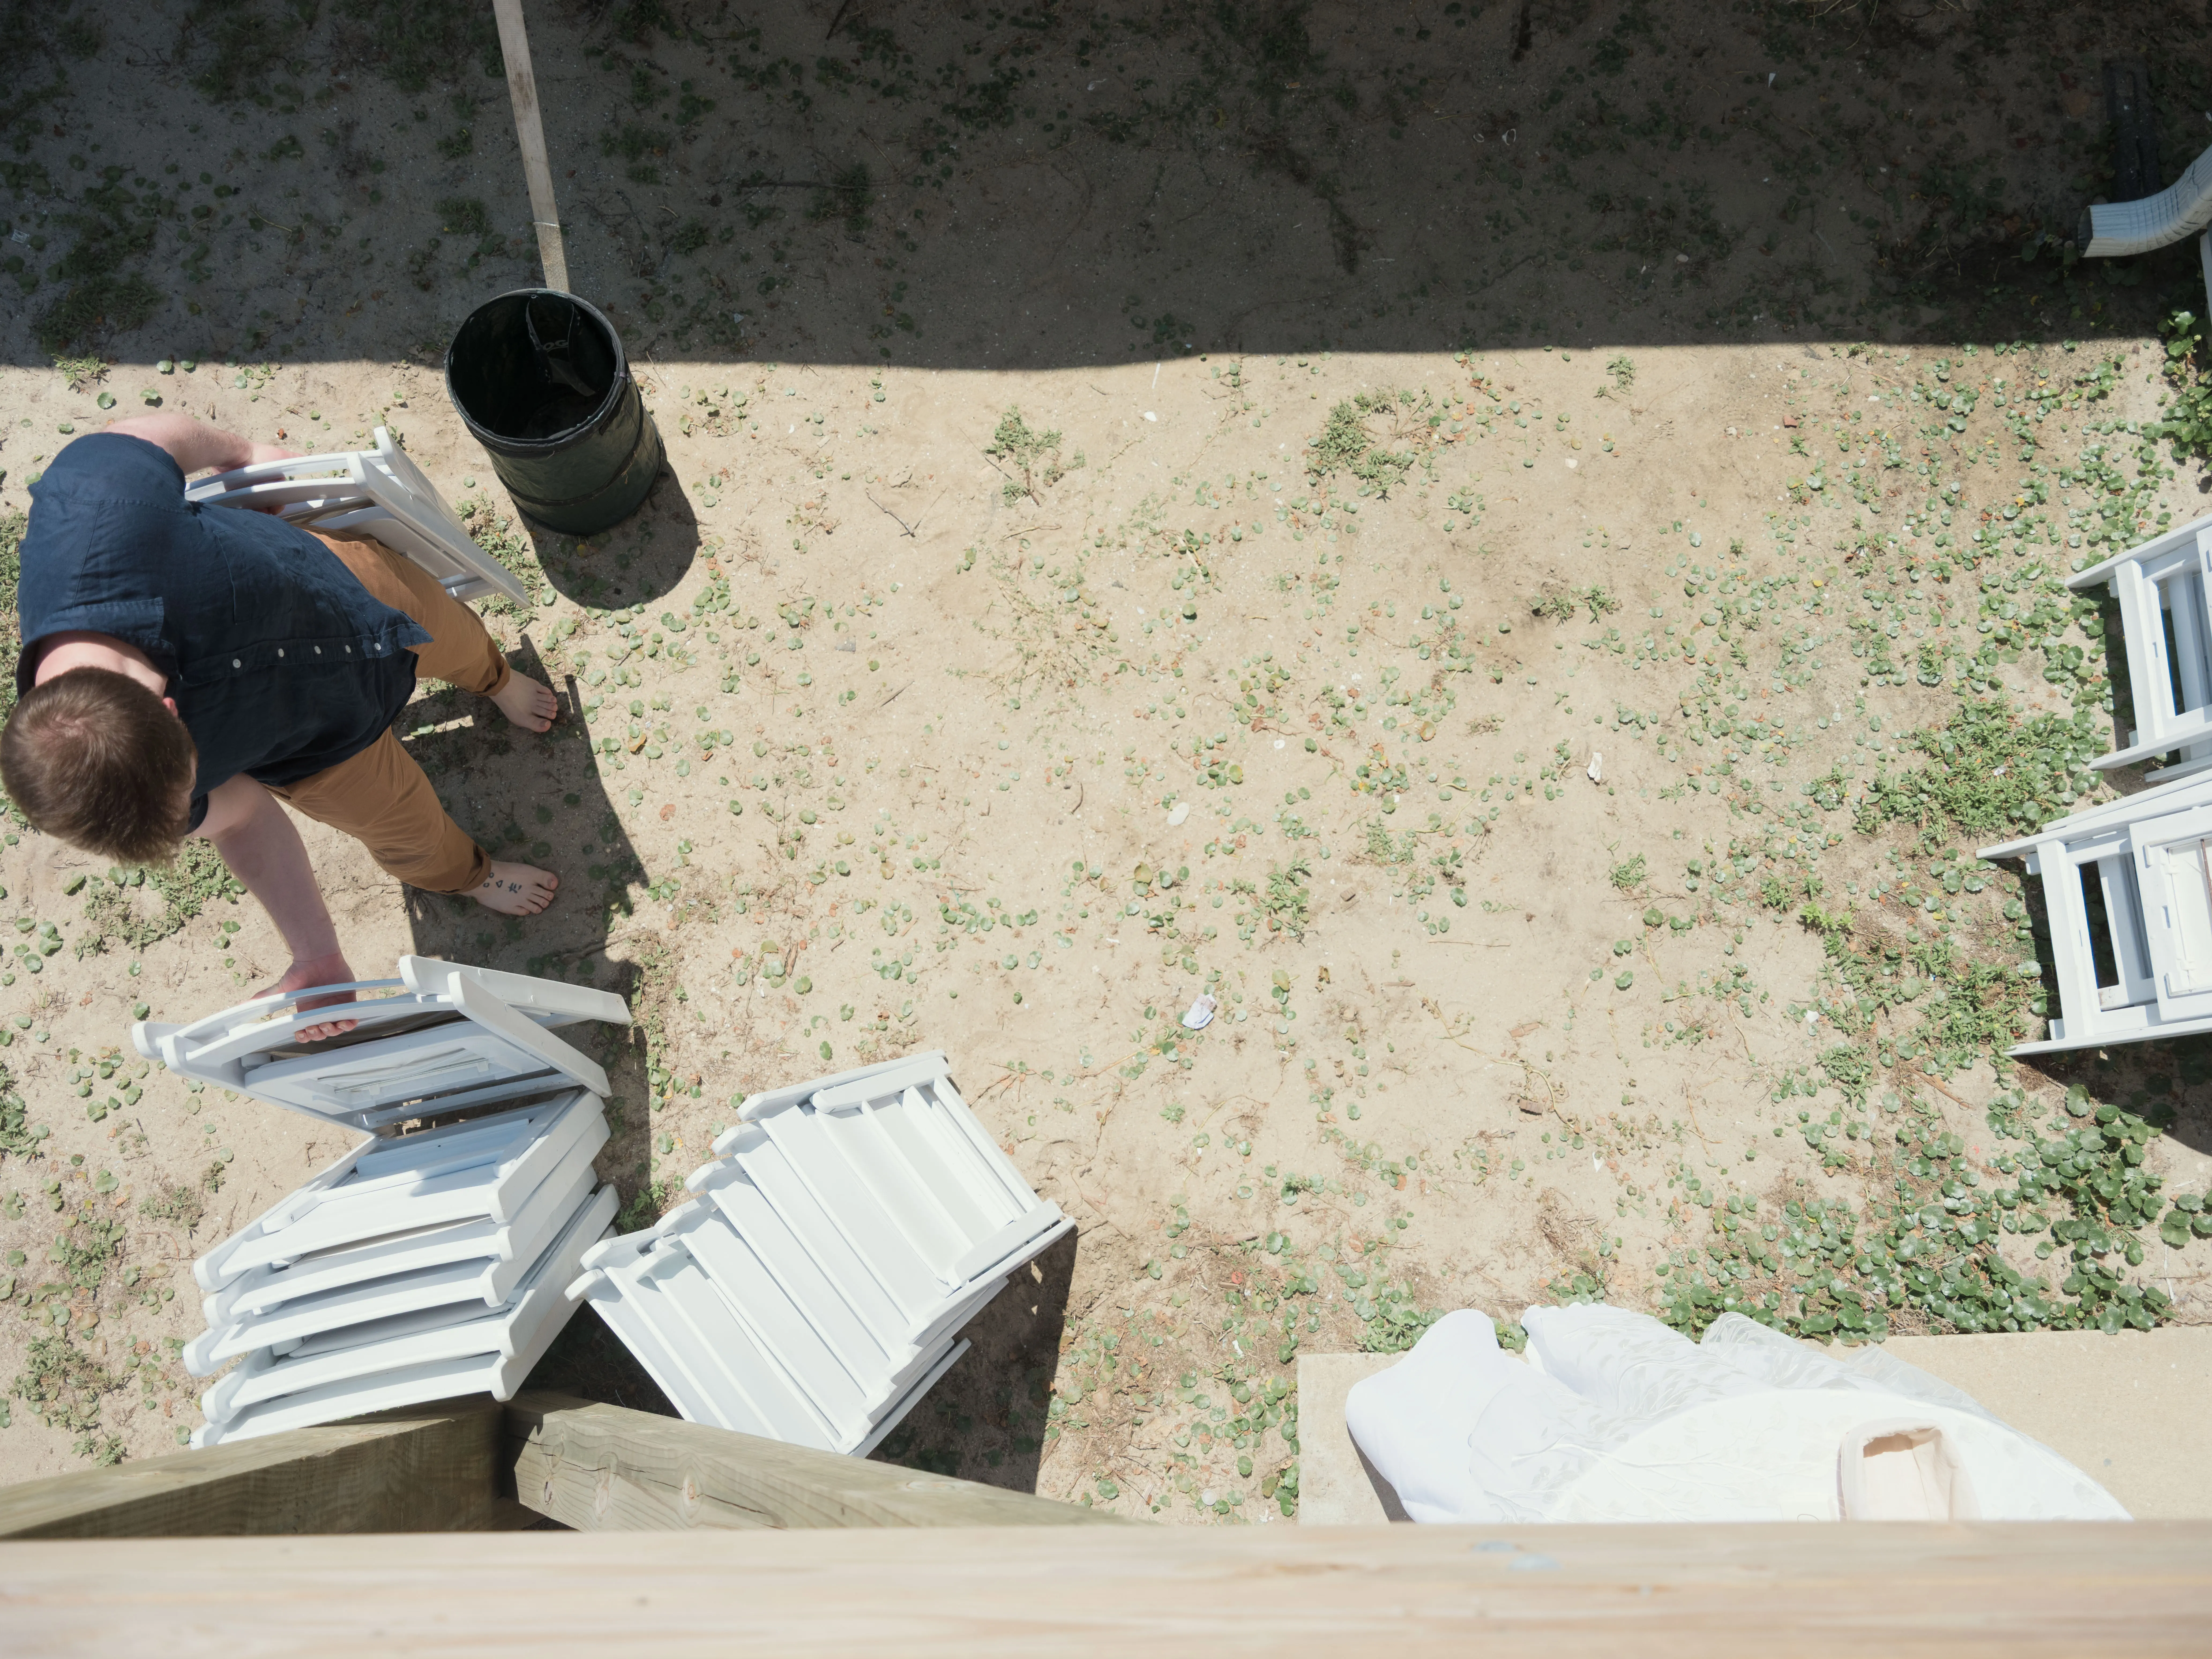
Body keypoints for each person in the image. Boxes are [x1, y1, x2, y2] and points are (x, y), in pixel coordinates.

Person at [0, 414, 562, 1033]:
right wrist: (317, 954)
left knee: (451, 633)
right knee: (410, 832)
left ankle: (497, 681)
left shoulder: (96, 516)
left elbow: (145, 438)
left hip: (345, 588)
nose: (207, 800)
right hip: (319, 752)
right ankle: (470, 876)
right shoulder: (124, 784)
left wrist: (242, 451)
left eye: (197, 782)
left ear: (169, 712)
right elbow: (241, 817)